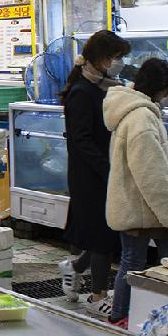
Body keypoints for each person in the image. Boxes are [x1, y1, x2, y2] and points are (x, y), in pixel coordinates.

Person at [104, 58, 168, 327]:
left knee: (132, 265)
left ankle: (120, 316)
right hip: (148, 209)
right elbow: (152, 174)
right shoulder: (142, 118)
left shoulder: (132, 111)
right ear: (160, 89)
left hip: (132, 206)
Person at [59, 30, 131, 308]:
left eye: (121, 57)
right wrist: (107, 168)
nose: (118, 62)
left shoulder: (109, 87)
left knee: (105, 233)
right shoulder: (81, 92)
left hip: (106, 169)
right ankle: (98, 296)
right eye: (114, 57)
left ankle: (75, 267)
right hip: (89, 175)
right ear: (99, 58)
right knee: (101, 235)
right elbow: (82, 139)